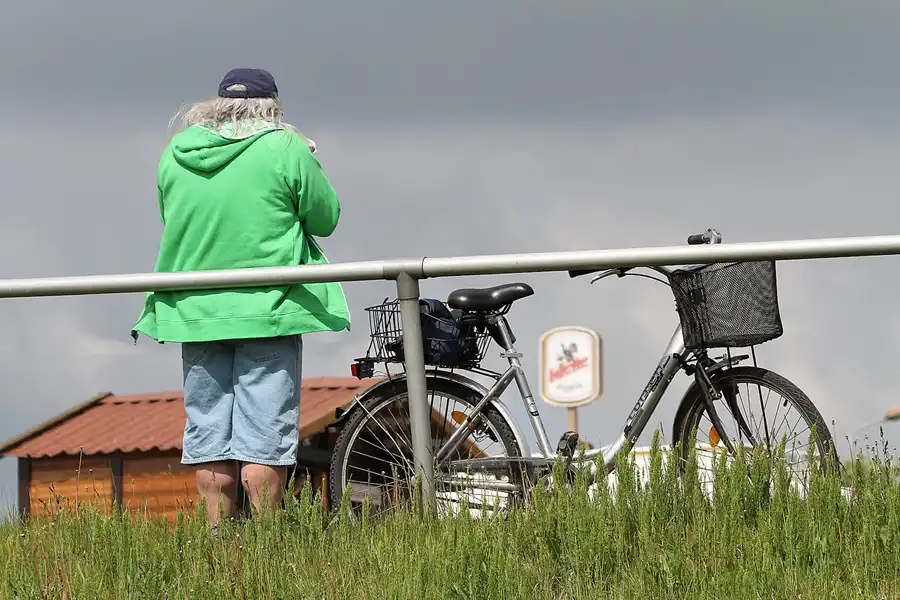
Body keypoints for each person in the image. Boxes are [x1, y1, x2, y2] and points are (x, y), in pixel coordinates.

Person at [131, 68, 350, 530]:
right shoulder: (286, 147)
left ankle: (217, 545)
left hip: (195, 311)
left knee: (209, 435)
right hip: (266, 310)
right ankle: (266, 548)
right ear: (272, 107)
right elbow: (326, 217)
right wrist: (310, 159)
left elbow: (170, 215)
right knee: (264, 439)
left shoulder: (175, 152)